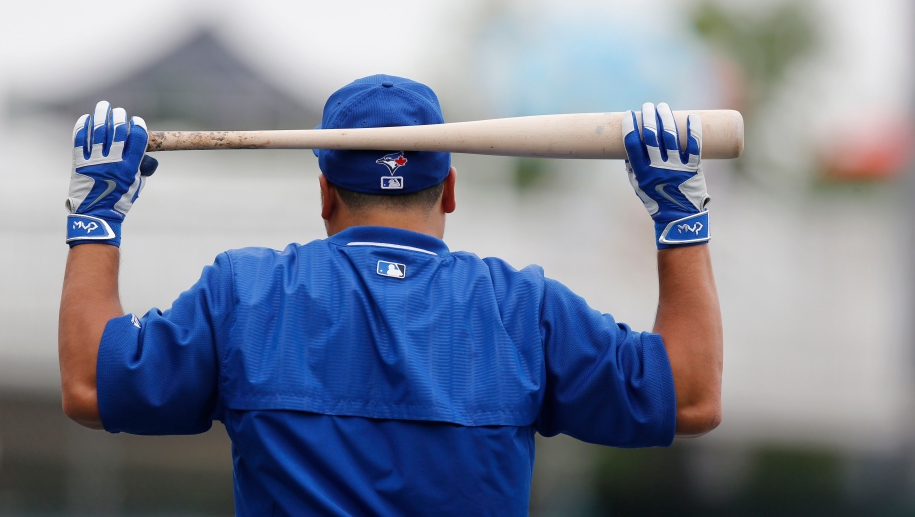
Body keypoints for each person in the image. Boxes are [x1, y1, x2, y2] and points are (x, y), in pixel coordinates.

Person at [58, 74, 722, 516]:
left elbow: (91, 384)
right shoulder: (523, 309)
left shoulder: (246, 294)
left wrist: (97, 217)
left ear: (325, 193)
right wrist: (679, 220)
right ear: (451, 190)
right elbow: (691, 397)